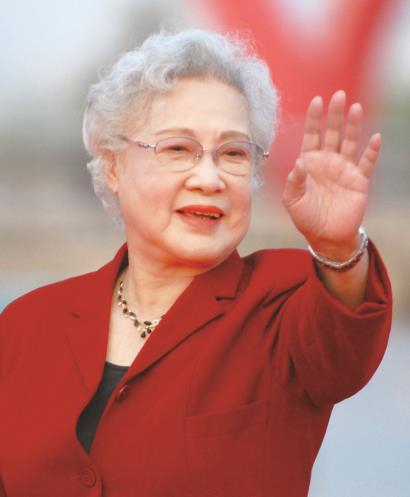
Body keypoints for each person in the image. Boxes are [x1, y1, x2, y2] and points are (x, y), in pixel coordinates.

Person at [0, 29, 392, 497]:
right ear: (113, 166)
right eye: (178, 148)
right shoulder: (26, 325)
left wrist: (339, 249)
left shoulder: (285, 304)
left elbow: (344, 344)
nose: (209, 178)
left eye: (233, 153)